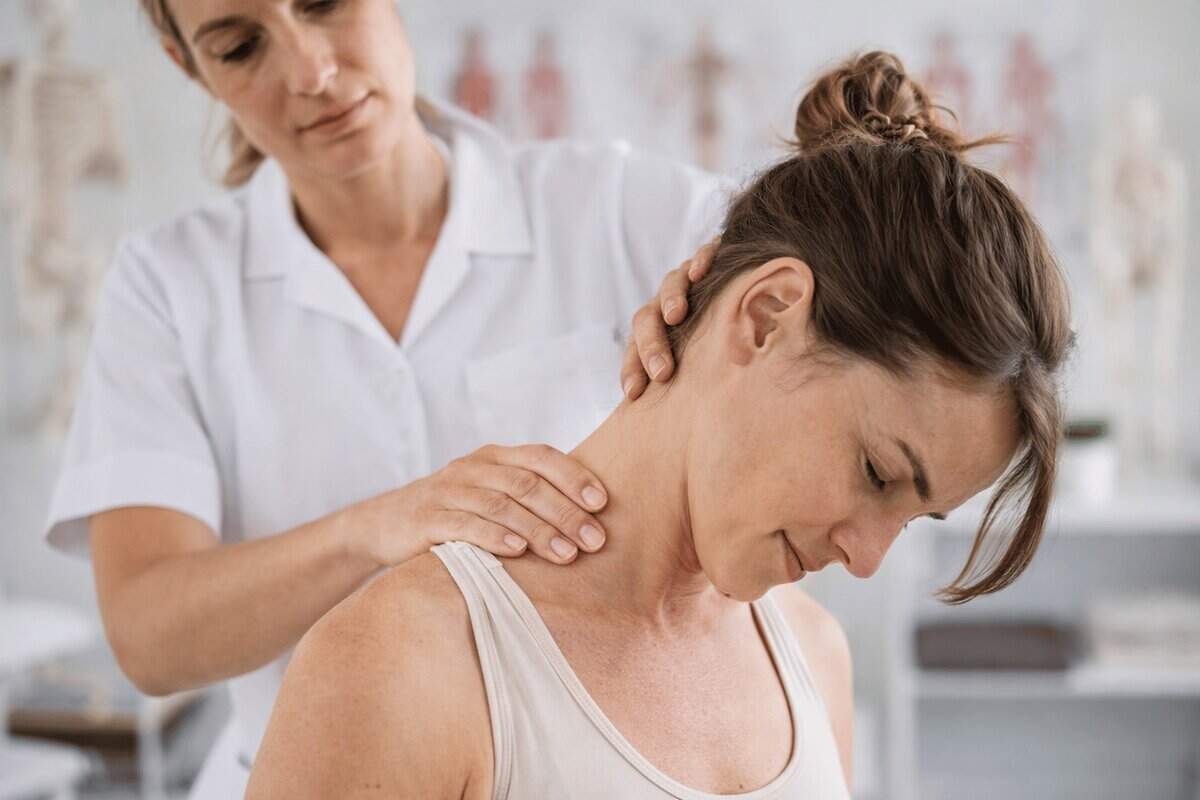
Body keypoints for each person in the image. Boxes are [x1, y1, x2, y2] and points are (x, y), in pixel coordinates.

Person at [246, 51, 1075, 798]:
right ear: (764, 316)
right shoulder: (408, 663)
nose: (864, 560)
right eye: (877, 474)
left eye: (910, 518)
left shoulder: (814, 660)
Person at [41, 1, 728, 796]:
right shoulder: (168, 285)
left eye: (325, 4)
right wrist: (375, 528)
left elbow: (832, 276)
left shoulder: (621, 211)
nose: (310, 73)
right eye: (239, 47)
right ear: (186, 63)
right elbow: (150, 635)